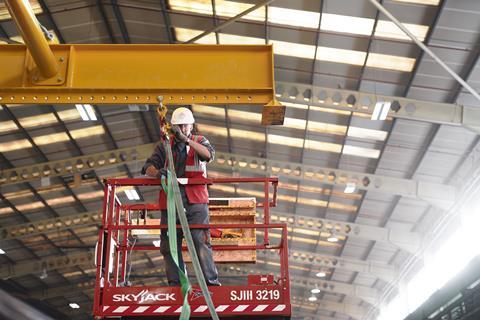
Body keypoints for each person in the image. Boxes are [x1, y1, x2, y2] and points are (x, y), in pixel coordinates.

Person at [142, 107, 221, 286]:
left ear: (191, 126)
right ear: (173, 127)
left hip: (195, 201)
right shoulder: (165, 146)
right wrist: (157, 173)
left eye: (186, 126)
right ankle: (176, 284)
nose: (183, 129)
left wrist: (186, 140)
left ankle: (211, 282)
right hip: (170, 203)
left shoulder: (199, 141)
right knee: (169, 246)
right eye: (179, 126)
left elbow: (208, 155)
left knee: (200, 240)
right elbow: (148, 166)